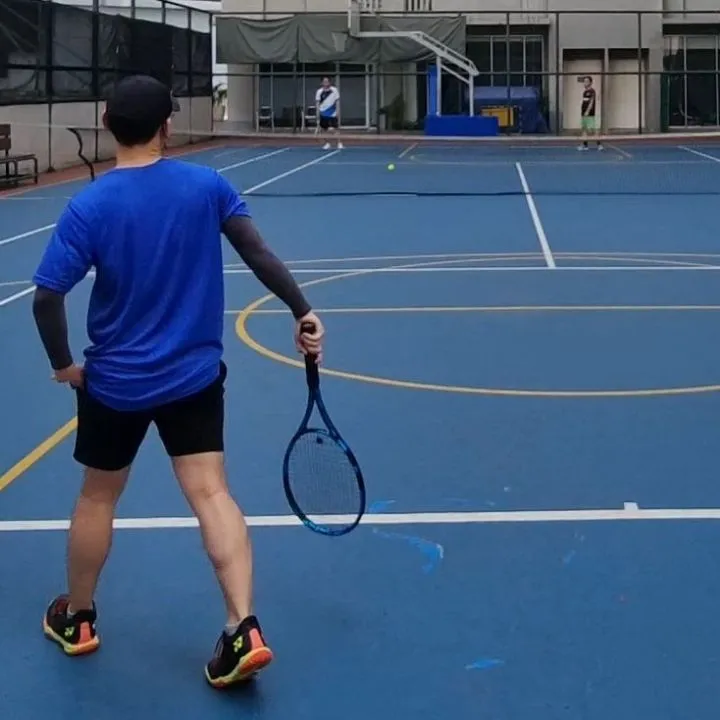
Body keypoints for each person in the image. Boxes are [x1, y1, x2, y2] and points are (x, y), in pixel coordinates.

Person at [31, 74, 325, 688]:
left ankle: (78, 618)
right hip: (193, 378)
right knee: (212, 494)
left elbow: (47, 297)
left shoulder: (89, 206)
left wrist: (62, 364)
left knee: (97, 497)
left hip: (114, 384)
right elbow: (258, 253)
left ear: (107, 124)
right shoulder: (207, 186)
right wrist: (302, 309)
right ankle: (243, 627)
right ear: (167, 126)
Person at [315, 76, 343, 150]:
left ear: (329, 82)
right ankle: (328, 143)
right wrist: (317, 113)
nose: (326, 83)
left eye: (327, 81)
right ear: (322, 83)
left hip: (332, 113)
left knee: (335, 129)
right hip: (323, 113)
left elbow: (337, 101)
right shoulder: (319, 92)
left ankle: (339, 143)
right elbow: (317, 103)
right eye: (324, 81)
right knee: (324, 130)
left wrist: (338, 111)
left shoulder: (334, 90)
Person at [579, 76, 603, 151]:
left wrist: (587, 111)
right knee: (584, 129)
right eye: (584, 81)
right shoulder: (584, 92)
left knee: (593, 130)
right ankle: (585, 145)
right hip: (583, 113)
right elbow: (585, 102)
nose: (585, 83)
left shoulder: (592, 91)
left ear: (590, 83)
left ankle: (599, 145)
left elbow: (591, 102)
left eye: (586, 81)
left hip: (589, 114)